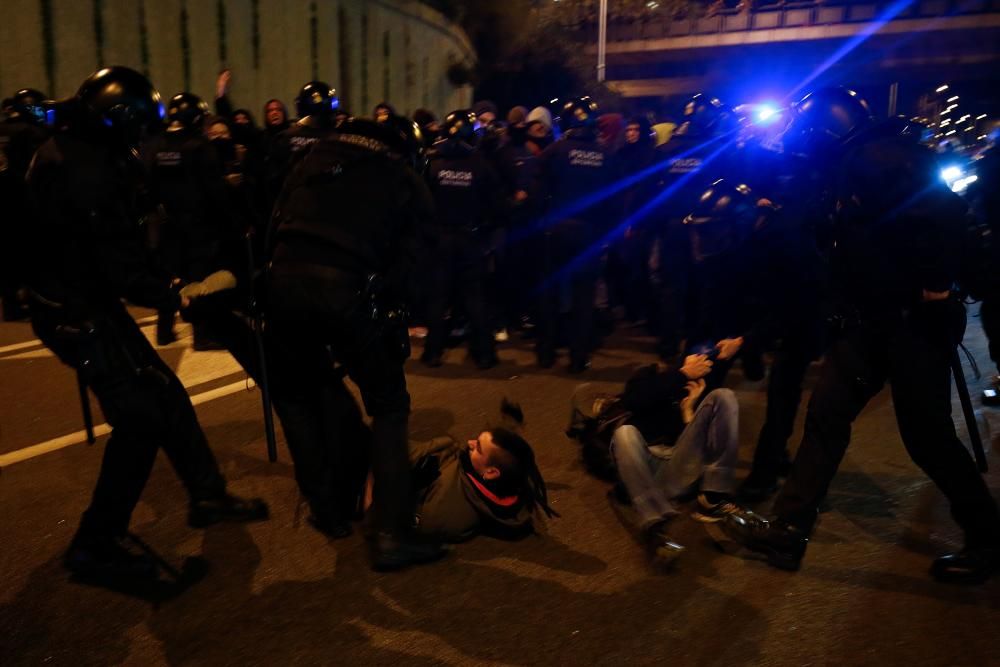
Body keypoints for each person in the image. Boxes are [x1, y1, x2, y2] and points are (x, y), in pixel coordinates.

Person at [719, 87, 1000, 584]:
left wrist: (935, 286)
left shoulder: (877, 156)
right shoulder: (855, 158)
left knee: (927, 438)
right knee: (826, 418)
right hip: (871, 322)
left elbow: (939, 213)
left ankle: (989, 536)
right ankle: (788, 530)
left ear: (826, 124)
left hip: (909, 323)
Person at [23, 67, 268, 585]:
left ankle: (206, 491)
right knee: (140, 418)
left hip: (87, 301)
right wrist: (175, 292)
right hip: (76, 311)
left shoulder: (79, 147)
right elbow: (118, 259)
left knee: (165, 391)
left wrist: (164, 280)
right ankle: (96, 541)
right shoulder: (81, 168)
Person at [266, 114, 447, 571]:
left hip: (282, 287)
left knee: (298, 393)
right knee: (389, 406)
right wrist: (396, 306)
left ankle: (327, 509)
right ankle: (391, 534)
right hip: (348, 292)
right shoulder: (400, 174)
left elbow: (272, 221)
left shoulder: (312, 158)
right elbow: (417, 259)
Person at [607, 344, 742, 568]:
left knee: (724, 396)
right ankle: (654, 523)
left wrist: (688, 412)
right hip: (643, 466)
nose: (702, 359)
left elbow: (703, 448)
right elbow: (634, 401)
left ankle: (714, 496)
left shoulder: (700, 386)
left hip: (677, 469)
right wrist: (681, 375)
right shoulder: (651, 375)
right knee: (624, 433)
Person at [144, 92, 239, 349]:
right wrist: (232, 222)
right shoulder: (199, 146)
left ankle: (164, 329)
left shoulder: (155, 145)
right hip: (199, 226)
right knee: (198, 279)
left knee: (172, 276)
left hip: (168, 225)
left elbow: (147, 187)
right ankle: (203, 334)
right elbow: (215, 191)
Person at [532, 96, 613, 373]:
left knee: (550, 293)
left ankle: (546, 353)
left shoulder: (554, 151)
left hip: (557, 229)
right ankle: (578, 357)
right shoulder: (605, 155)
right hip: (589, 232)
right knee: (583, 297)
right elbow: (611, 200)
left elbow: (538, 193)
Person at [421, 109, 506, 370]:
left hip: (440, 238)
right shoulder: (479, 163)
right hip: (470, 238)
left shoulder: (431, 162)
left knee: (438, 296)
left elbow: (419, 200)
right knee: (473, 296)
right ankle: (484, 353)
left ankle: (433, 352)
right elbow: (496, 203)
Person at [411, 400, 558, 542]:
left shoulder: (447, 512)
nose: (470, 443)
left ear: (491, 472)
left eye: (478, 447)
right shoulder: (509, 479)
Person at [0, 87, 49, 321]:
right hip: (23, 197)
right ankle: (32, 298)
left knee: (7, 252)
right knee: (30, 250)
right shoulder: (31, 132)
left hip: (3, 198)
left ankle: (11, 304)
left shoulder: (3, 129)